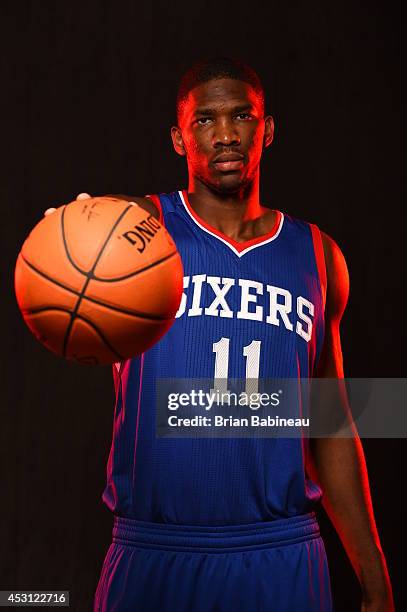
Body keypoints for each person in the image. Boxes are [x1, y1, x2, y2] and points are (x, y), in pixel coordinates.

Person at [77, 57, 393, 611]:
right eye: (205, 120)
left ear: (266, 130)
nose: (225, 134)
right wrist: (77, 243)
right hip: (155, 551)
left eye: (242, 116)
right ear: (179, 138)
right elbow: (66, 280)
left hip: (281, 554)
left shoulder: (318, 256)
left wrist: (374, 574)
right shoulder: (134, 235)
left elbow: (332, 422)